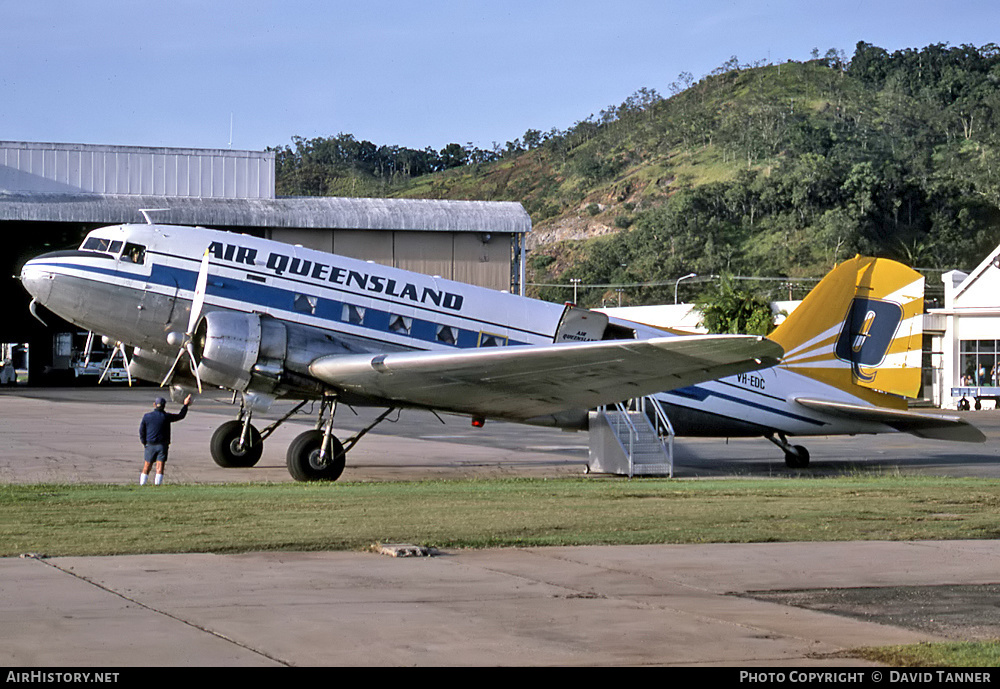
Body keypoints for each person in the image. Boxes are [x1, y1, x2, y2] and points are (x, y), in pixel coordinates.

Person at [139, 394, 192, 486]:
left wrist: (144, 442)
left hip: (150, 444)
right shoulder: (166, 417)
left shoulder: (147, 417)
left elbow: (141, 431)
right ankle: (157, 485)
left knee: (147, 465)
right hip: (162, 445)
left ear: (154, 404)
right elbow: (181, 416)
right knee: (160, 467)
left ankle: (142, 484)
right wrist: (185, 405)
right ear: (164, 406)